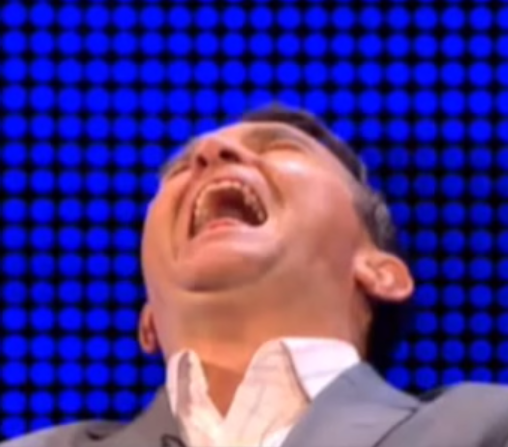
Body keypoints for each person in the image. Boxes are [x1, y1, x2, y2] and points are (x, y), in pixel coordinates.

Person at [3, 104, 508, 447]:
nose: (209, 153)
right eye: (180, 169)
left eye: (280, 148)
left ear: (381, 272)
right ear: (148, 320)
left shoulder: (487, 427)